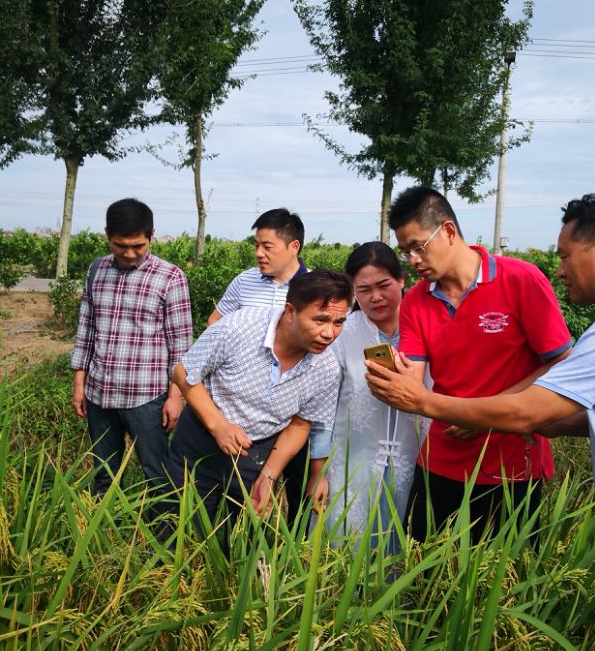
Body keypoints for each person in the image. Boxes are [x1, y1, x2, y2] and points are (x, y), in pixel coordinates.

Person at [367, 193, 595, 651]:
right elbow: (592, 417)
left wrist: (434, 404)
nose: (559, 268)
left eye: (565, 255)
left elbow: (530, 408)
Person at [385, 186, 573, 544]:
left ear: (449, 231)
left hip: (512, 464)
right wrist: (395, 377)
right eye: (405, 251)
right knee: (432, 575)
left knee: (504, 582)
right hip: (441, 458)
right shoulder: (415, 301)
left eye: (418, 247)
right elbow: (414, 376)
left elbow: (561, 361)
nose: (412, 259)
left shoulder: (520, 279)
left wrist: (484, 413)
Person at [165, 270, 350, 530]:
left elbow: (300, 423)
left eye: (339, 322)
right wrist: (218, 426)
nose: (329, 333)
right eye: (320, 320)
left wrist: (268, 475)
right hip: (200, 440)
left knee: (240, 536)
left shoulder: (326, 368)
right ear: (290, 311)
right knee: (179, 526)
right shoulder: (239, 327)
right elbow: (184, 373)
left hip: (256, 452)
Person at [70, 198, 193, 502]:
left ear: (152, 234)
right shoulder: (97, 270)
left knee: (158, 473)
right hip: (99, 393)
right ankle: (102, 529)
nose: (129, 253)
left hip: (146, 398)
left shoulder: (170, 277)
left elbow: (181, 343)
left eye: (137, 245)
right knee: (104, 471)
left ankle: (163, 534)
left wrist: (175, 397)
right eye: (120, 245)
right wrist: (79, 383)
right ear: (107, 235)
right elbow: (86, 327)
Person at [307, 242, 426, 551]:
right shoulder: (343, 333)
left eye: (384, 285)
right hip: (350, 466)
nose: (375, 297)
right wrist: (318, 474)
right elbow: (321, 407)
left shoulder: (427, 326)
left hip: (414, 465)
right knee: (344, 555)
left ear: (402, 280)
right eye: (363, 289)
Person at [205, 208, 316, 531]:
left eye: (267, 246)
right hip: (245, 412)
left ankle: (291, 554)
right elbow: (215, 324)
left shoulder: (313, 289)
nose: (258, 253)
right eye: (256, 244)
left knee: (297, 490)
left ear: (293, 247)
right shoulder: (245, 282)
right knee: (237, 493)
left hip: (294, 411)